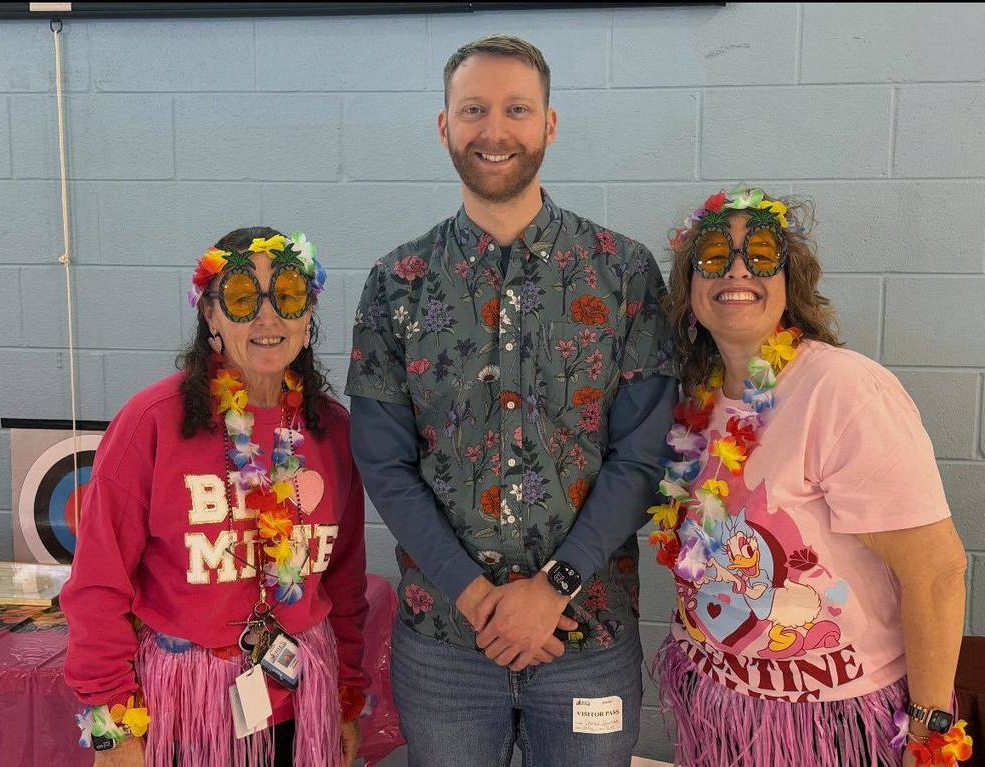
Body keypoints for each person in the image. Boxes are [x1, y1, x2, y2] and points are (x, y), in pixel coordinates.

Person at [345, 35, 677, 766]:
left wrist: (553, 588)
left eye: (517, 109)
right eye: (473, 110)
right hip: (445, 651)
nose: (494, 131)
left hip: (587, 635)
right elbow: (383, 462)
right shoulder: (397, 281)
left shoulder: (622, 272)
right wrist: (473, 595)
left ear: (550, 124)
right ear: (444, 126)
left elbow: (641, 453)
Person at [648, 186, 973, 767]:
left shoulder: (841, 389)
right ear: (690, 286)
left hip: (835, 722)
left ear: (789, 280)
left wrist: (929, 731)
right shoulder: (698, 398)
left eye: (762, 254)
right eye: (714, 256)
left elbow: (938, 572)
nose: (738, 269)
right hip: (719, 707)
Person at [60, 227, 369, 767]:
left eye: (289, 296)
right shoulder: (152, 422)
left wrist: (345, 701)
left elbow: (344, 581)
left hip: (303, 699)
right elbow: (97, 582)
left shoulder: (332, 431)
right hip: (186, 706)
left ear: (309, 313)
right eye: (244, 299)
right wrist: (111, 724)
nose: (268, 319)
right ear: (210, 315)